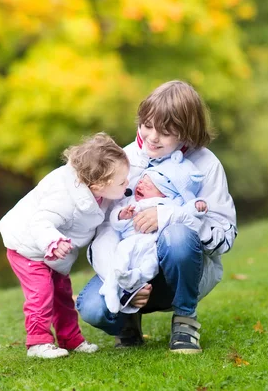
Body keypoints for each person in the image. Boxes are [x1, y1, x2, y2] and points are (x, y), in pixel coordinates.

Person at [76, 80, 237, 354]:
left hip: (183, 269)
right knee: (91, 309)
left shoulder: (206, 164)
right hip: (129, 266)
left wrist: (171, 216)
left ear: (187, 132)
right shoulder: (121, 158)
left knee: (177, 235)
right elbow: (101, 232)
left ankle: (185, 321)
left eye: (165, 132)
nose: (152, 137)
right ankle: (128, 318)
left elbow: (225, 237)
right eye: (147, 125)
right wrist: (124, 284)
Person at [0, 132, 130, 359]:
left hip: (55, 252)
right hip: (28, 246)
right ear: (98, 184)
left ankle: (70, 339)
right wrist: (53, 241)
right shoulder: (64, 196)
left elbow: (103, 216)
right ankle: (38, 342)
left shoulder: (97, 191)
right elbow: (41, 221)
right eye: (122, 182)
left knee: (62, 295)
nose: (127, 185)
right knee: (41, 293)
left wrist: (121, 214)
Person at [102, 150, 208, 314]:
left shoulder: (171, 203)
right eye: (142, 181)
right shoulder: (130, 202)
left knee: (150, 266)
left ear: (165, 192)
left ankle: (136, 281)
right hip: (130, 242)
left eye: (149, 185)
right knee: (120, 256)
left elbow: (187, 210)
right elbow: (116, 223)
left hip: (151, 246)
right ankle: (113, 286)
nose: (141, 185)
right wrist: (122, 216)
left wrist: (197, 205)